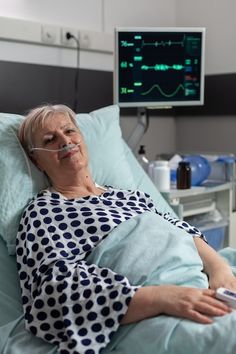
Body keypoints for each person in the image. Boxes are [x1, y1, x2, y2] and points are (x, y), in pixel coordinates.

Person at [16, 104, 236, 354]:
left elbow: (181, 228)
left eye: (69, 131)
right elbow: (52, 292)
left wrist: (220, 269)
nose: (65, 141)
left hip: (203, 280)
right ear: (36, 159)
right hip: (146, 308)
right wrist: (162, 297)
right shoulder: (45, 211)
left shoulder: (130, 195)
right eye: (50, 139)